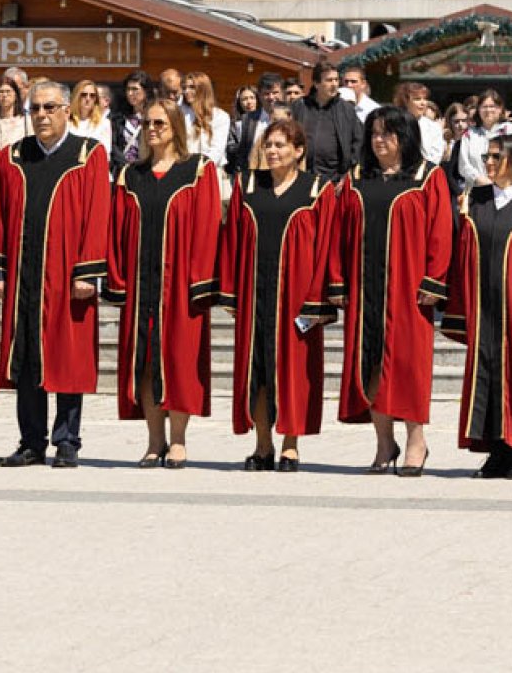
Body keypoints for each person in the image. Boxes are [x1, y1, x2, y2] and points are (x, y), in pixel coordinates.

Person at [0, 81, 110, 468]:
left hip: (68, 275)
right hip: (23, 274)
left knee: (67, 355)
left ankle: (67, 440)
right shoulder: (13, 156)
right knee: (26, 357)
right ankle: (31, 441)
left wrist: (88, 270)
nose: (41, 115)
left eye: (49, 107)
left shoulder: (87, 154)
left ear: (66, 110)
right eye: (34, 108)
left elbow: (97, 214)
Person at [328, 107, 452, 475]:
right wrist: (337, 281)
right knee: (369, 364)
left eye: (387, 133)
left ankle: (416, 441)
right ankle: (384, 442)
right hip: (364, 289)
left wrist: (434, 279)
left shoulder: (427, 177)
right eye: (374, 133)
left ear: (405, 136)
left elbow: (441, 231)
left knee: (408, 366)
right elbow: (338, 233)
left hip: (408, 290)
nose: (379, 140)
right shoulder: (355, 179)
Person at [105, 98, 222, 469]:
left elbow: (208, 226)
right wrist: (119, 280)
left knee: (178, 361)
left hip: (181, 287)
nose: (152, 129)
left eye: (160, 123)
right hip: (142, 286)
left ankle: (179, 441)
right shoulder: (130, 175)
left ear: (175, 127)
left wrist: (201, 281)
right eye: (147, 123)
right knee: (144, 362)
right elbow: (116, 231)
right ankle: (154, 441)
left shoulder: (197, 170)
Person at [218, 119, 337, 471]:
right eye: (268, 145)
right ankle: (262, 446)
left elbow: (326, 246)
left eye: (280, 145)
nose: (272, 151)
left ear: (298, 151)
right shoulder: (248, 185)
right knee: (256, 370)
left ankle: (290, 445)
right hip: (254, 293)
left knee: (292, 370)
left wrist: (319, 298)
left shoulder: (316, 189)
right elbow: (231, 239)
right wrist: (231, 293)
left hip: (297, 298)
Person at [443, 134, 512, 478]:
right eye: (487, 157)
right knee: (487, 375)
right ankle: (495, 449)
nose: (489, 163)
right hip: (484, 307)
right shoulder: (474, 200)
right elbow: (461, 253)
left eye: (497, 157)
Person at [291, 64, 361, 179]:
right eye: (329, 80)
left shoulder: (346, 110)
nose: (334, 84)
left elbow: (358, 142)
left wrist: (346, 171)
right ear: (316, 83)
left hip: (334, 178)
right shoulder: (300, 106)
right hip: (302, 175)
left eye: (336, 80)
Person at [455, 88, 507, 187]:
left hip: (504, 188)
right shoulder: (469, 134)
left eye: (492, 106)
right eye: (484, 106)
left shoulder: (509, 130)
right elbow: (463, 165)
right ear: (478, 110)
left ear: (500, 109)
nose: (488, 110)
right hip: (477, 189)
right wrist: (479, 179)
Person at [226, 73, 275, 175]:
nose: (249, 102)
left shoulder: (267, 118)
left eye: (252, 98)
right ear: (239, 102)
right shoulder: (234, 123)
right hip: (242, 168)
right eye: (244, 99)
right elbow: (230, 146)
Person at [181, 72, 231, 170]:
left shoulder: (220, 116)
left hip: (210, 169)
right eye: (184, 88)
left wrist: (201, 167)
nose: (186, 91)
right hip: (183, 169)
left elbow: (217, 150)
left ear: (203, 89)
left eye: (192, 87)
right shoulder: (180, 114)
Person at [110, 69, 153, 171]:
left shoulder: (154, 117)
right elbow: (114, 145)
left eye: (135, 89)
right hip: (124, 169)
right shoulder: (119, 117)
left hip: (147, 169)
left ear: (146, 91)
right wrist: (125, 164)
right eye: (128, 89)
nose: (130, 93)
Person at [0, 76, 30, 150]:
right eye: (1, 92)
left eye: (8, 91)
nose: (4, 95)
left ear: (15, 95)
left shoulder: (27, 122)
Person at [66, 79, 114, 148]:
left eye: (92, 96)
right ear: (76, 96)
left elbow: (106, 150)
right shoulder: (66, 121)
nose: (88, 98)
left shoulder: (104, 123)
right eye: (84, 95)